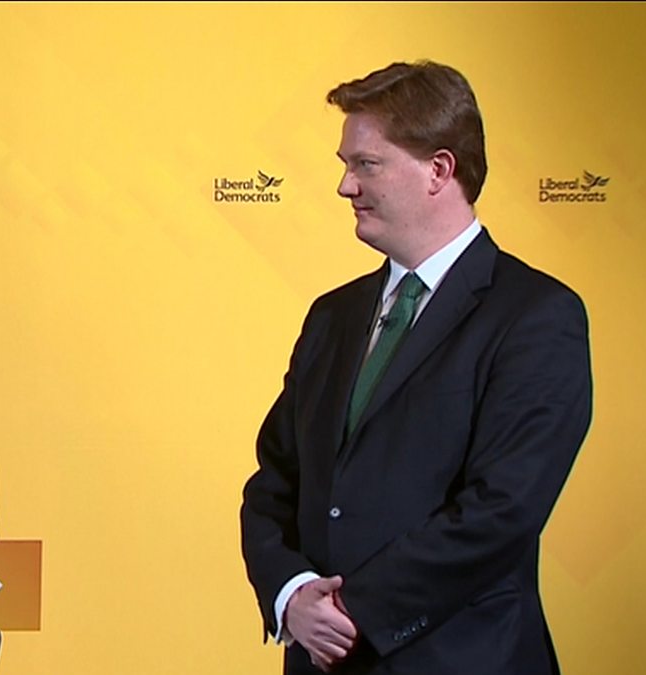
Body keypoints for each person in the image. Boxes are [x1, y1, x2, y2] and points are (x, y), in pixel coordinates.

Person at [240, 61, 592, 675]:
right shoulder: (331, 316)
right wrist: (291, 595)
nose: (345, 186)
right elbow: (275, 483)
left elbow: (503, 508)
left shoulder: (537, 315)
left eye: (366, 164)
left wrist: (352, 611)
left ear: (439, 170)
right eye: (346, 164)